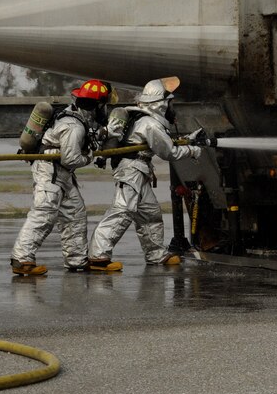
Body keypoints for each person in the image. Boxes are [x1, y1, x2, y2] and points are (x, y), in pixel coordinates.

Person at [88, 76, 202, 271]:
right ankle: (98, 255)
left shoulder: (143, 119)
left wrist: (187, 140)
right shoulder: (150, 124)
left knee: (150, 213)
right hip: (132, 170)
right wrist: (193, 151)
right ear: (160, 104)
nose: (171, 108)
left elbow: (166, 143)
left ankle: (156, 254)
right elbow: (169, 152)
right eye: (169, 103)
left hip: (138, 170)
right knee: (122, 210)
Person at [11, 80, 111, 275]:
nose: (104, 110)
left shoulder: (76, 118)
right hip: (50, 170)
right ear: (96, 105)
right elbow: (71, 158)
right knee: (44, 212)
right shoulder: (74, 126)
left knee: (75, 213)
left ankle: (76, 259)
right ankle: (22, 258)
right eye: (103, 105)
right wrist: (89, 156)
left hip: (60, 172)